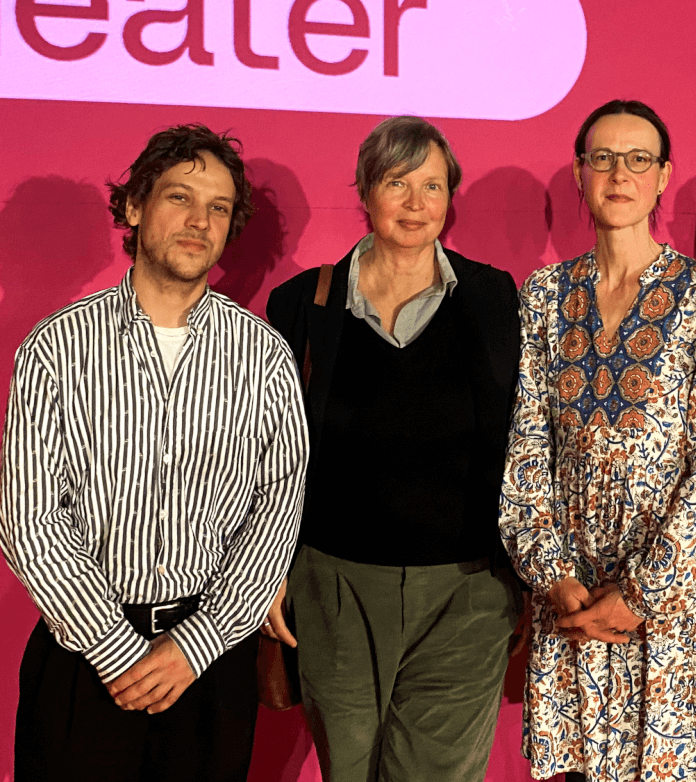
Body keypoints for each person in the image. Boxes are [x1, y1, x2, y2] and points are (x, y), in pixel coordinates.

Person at [0, 124, 309, 782]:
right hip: (83, 665)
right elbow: (26, 520)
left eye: (218, 207)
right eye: (179, 198)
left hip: (211, 668)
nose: (199, 221)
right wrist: (117, 652)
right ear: (135, 207)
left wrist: (193, 648)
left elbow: (277, 508)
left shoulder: (263, 357)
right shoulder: (57, 349)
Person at [264, 115, 524, 782]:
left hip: (468, 594)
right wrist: (265, 574)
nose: (415, 204)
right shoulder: (302, 304)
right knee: (349, 771)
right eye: (396, 183)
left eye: (431, 186)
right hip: (335, 587)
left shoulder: (495, 297)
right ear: (365, 192)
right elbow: (269, 452)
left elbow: (523, 439)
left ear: (450, 196)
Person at [500, 99, 696, 782]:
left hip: (665, 606)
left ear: (664, 176)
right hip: (569, 601)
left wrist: (639, 597)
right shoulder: (546, 294)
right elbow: (525, 450)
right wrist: (555, 576)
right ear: (580, 174)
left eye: (638, 159)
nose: (619, 173)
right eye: (602, 157)